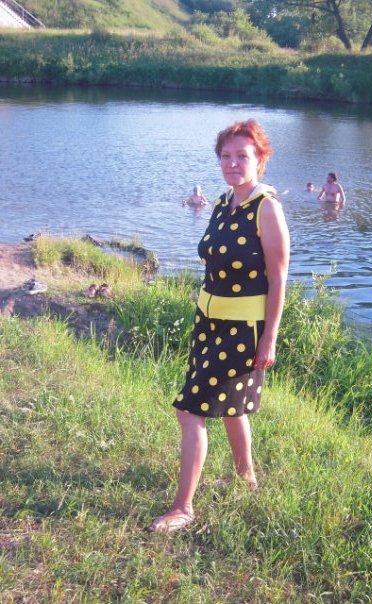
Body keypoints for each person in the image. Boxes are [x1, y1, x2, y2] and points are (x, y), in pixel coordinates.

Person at [148, 119, 290, 533]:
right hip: (208, 323)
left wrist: (269, 338)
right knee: (232, 406)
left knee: (190, 410)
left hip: (243, 330)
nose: (232, 163)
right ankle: (247, 479)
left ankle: (183, 508)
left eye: (242, 156)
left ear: (260, 159)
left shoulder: (267, 208)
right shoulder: (222, 203)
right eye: (226, 156)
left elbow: (279, 278)